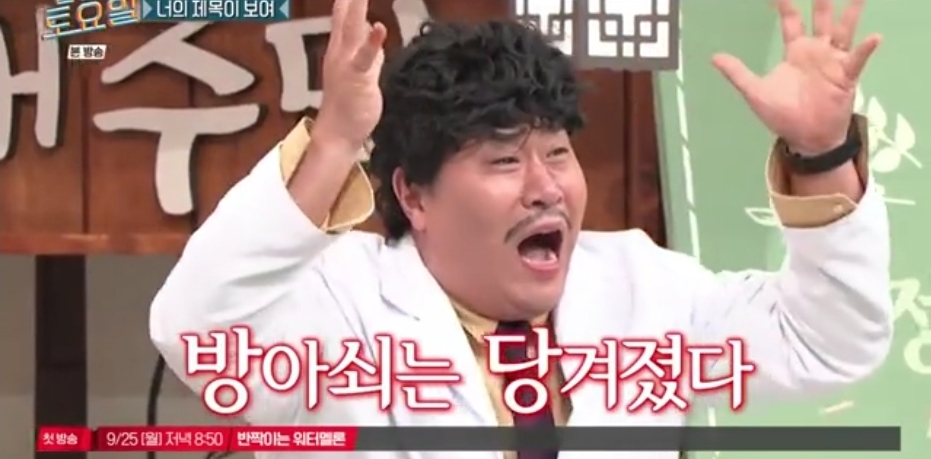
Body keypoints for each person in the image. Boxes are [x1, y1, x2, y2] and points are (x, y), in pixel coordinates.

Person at [150, 0, 891, 457]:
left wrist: (821, 154)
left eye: (558, 153)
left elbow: (825, 341)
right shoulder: (339, 305)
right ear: (414, 195)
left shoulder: (644, 286)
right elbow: (195, 331)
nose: (546, 188)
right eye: (504, 160)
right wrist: (337, 142)